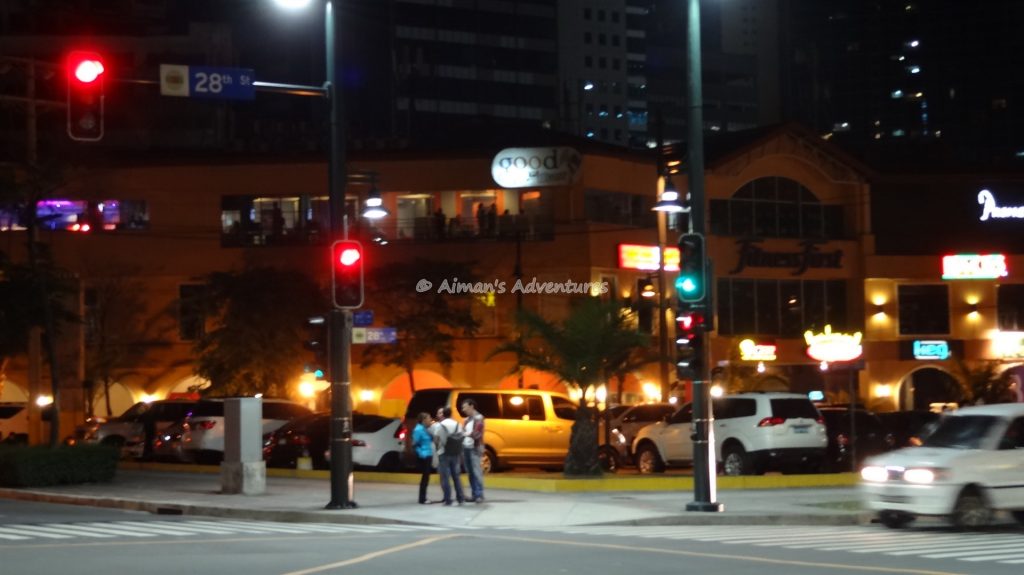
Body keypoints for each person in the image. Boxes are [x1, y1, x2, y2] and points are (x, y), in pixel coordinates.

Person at [434, 406, 466, 506]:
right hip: (455, 453)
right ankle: (460, 498)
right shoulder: (457, 424)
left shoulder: (440, 425)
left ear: (443, 414)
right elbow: (462, 436)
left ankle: (448, 499)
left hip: (443, 453)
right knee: (456, 476)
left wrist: (437, 448)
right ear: (451, 414)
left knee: (445, 477)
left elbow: (436, 439)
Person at [460, 398, 486, 503]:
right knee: (470, 472)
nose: (463, 409)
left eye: (465, 407)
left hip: (474, 448)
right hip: (466, 447)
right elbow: (463, 432)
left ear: (471, 406)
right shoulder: (466, 420)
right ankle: (474, 494)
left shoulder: (479, 418)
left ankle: (479, 494)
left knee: (476, 471)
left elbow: (477, 434)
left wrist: (465, 434)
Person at [412, 412, 436, 504]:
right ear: (423, 420)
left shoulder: (425, 429)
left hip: (428, 454)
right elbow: (415, 444)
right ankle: (422, 498)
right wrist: (421, 453)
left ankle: (423, 497)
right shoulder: (418, 430)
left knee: (426, 477)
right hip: (424, 455)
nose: (430, 420)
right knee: (425, 477)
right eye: (429, 418)